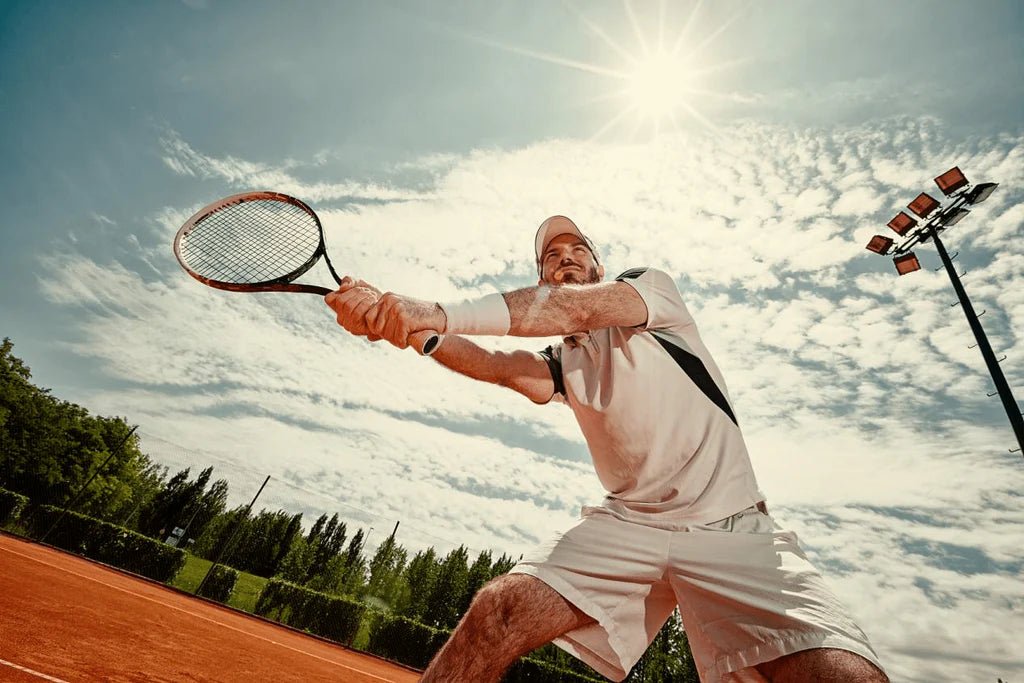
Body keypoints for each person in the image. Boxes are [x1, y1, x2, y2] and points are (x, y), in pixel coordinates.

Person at [324, 216, 888, 683]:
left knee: (841, 675)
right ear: (540, 271)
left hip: (732, 527)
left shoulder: (649, 292)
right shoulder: (562, 363)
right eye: (551, 255)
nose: (565, 257)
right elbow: (497, 366)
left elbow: (570, 309)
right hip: (628, 524)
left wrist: (427, 310)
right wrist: (408, 331)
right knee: (498, 611)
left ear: (597, 265)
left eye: (577, 249)